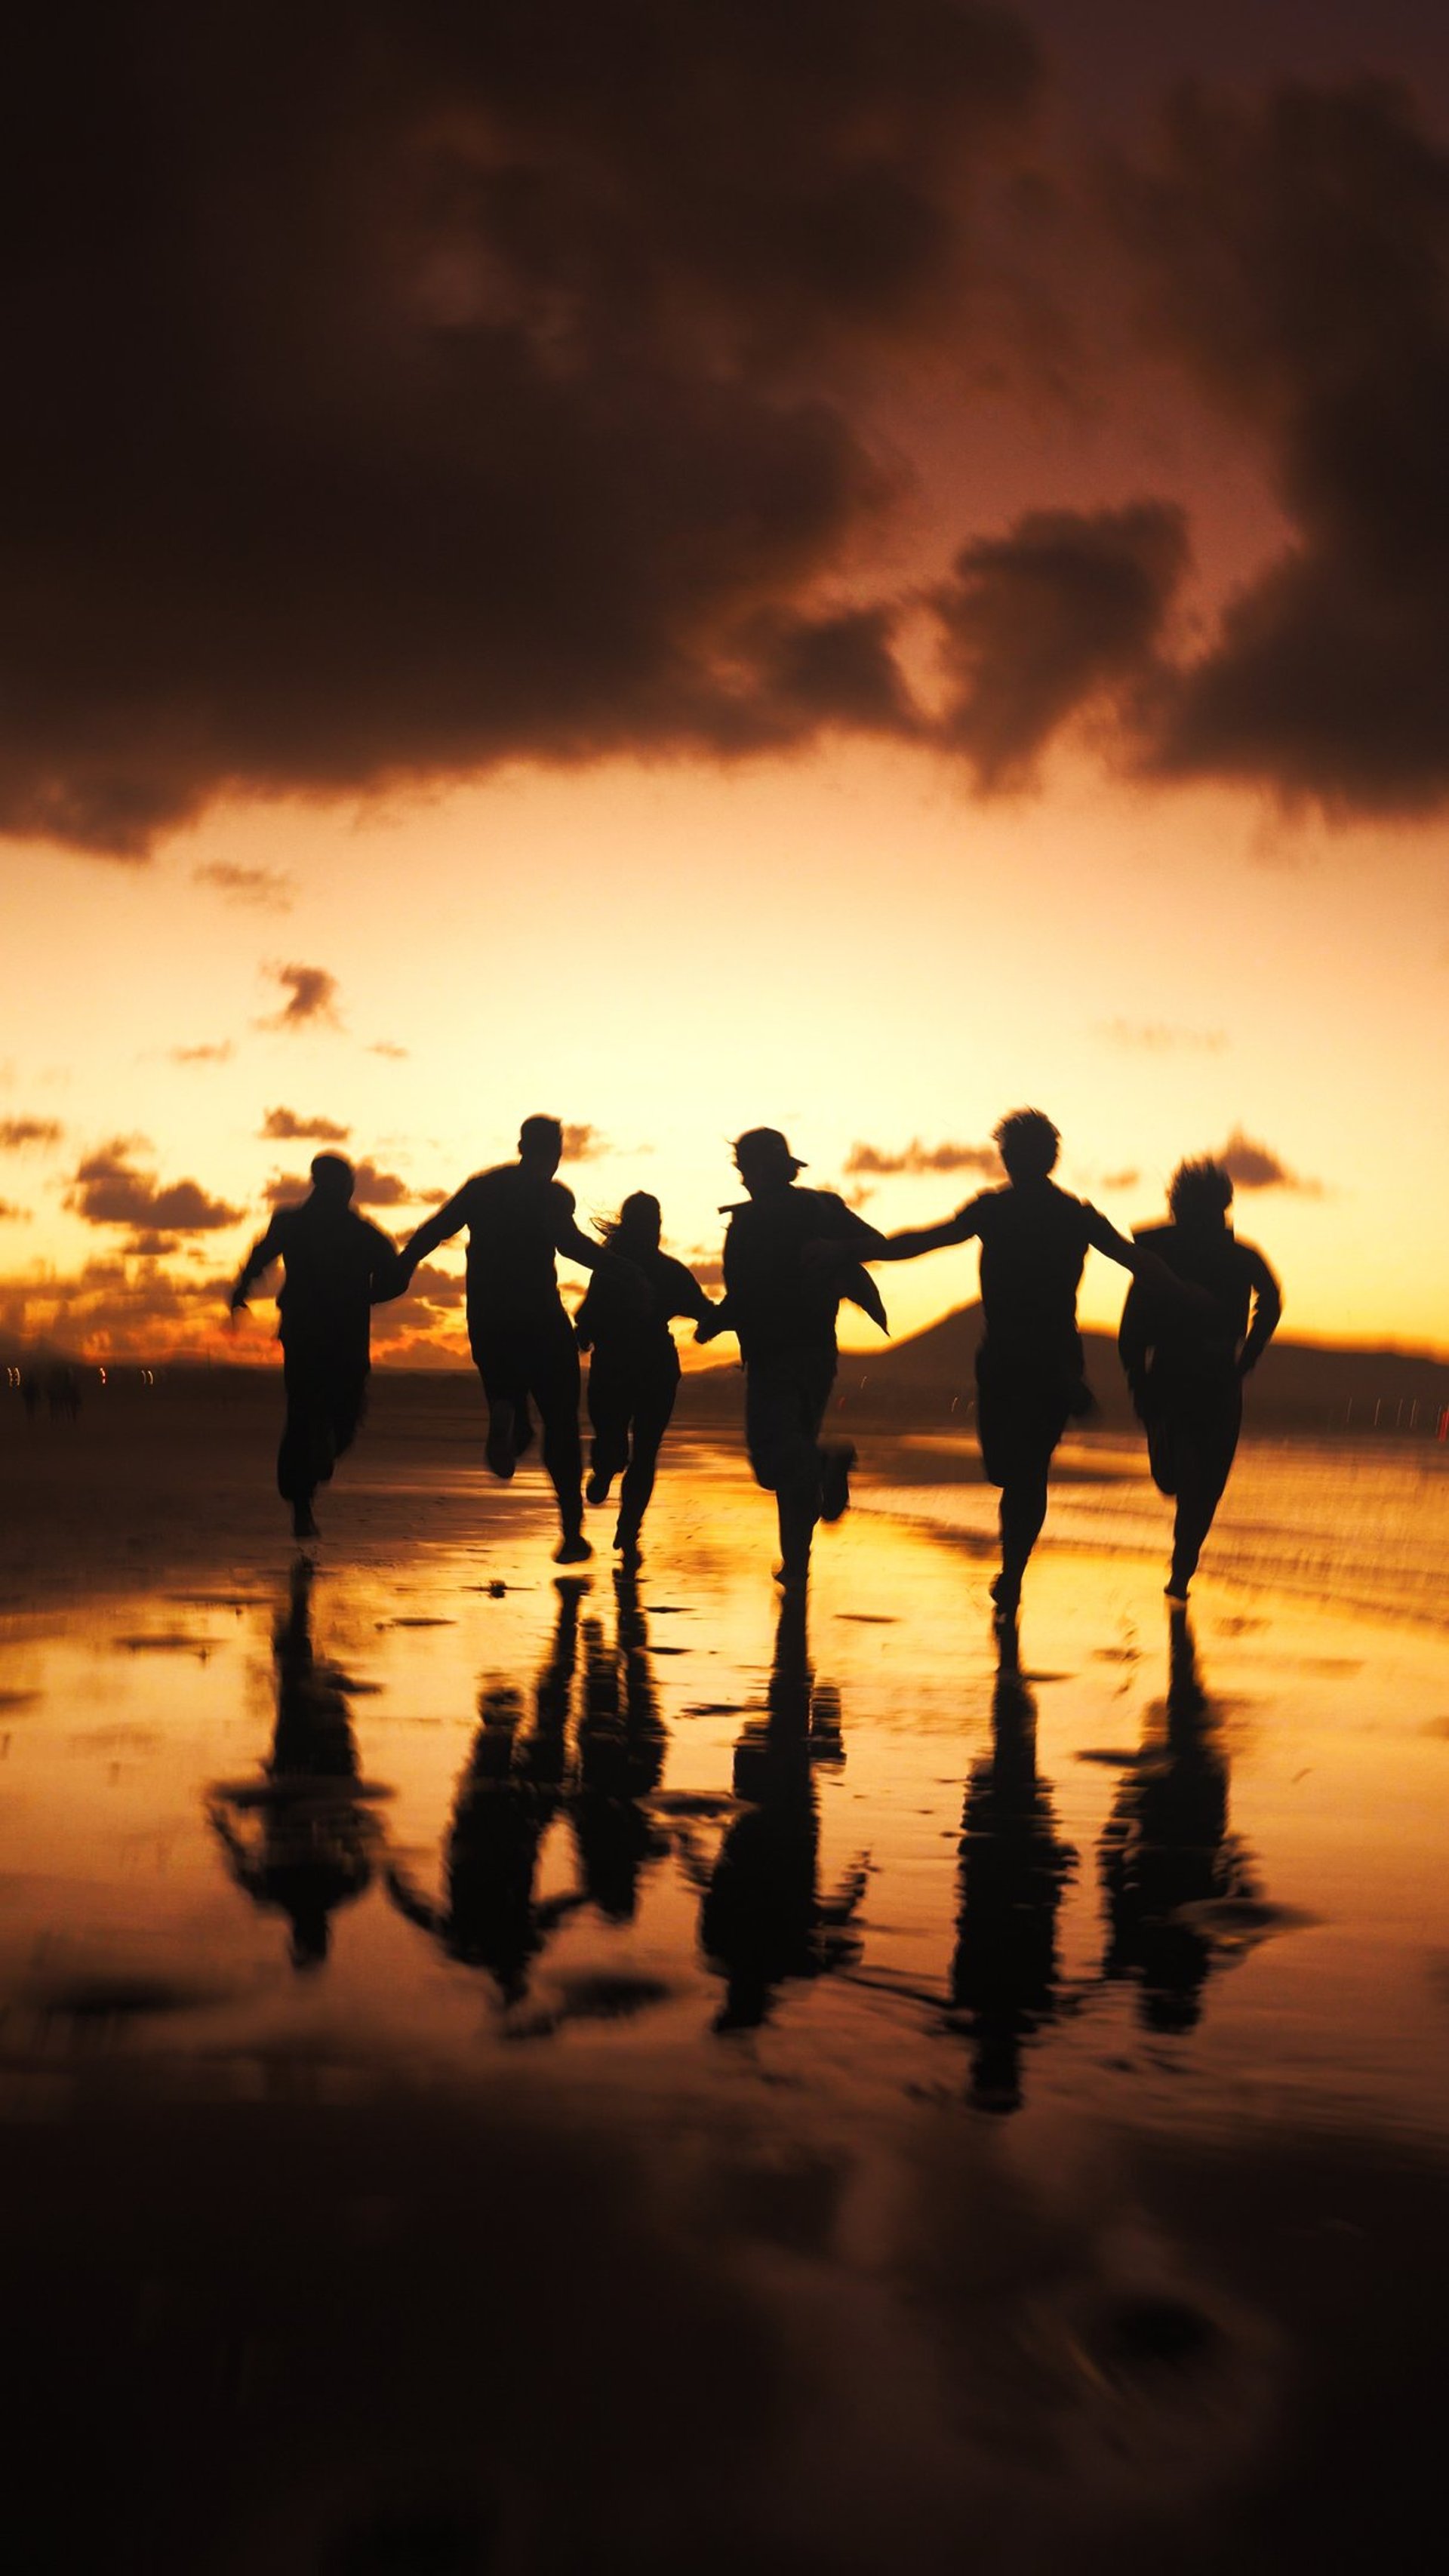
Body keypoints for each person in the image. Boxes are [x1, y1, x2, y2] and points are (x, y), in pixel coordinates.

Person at [877, 1107, 1164, 1627]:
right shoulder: (1027, 1212)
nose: (1016, 1161)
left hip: (1033, 1359)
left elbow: (925, 1241)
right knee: (1012, 1473)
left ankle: (1012, 1574)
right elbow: (1135, 1260)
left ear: (1032, 1158)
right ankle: (1014, 1567)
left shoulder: (1055, 1214)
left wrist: (853, 1250)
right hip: (1028, 1360)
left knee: (1023, 1473)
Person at [395, 1115, 629, 1565]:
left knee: (509, 1398)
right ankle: (572, 1534)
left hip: (489, 1321)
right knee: (560, 1423)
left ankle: (505, 1412)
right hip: (541, 1317)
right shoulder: (552, 1195)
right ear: (556, 1153)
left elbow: (435, 1228)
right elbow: (569, 1243)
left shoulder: (483, 1188)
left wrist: (403, 1266)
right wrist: (620, 1267)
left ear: (521, 1145)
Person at [700, 1127, 888, 1587]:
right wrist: (837, 1249)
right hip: (818, 1352)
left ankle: (827, 1463)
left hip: (774, 1353)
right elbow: (876, 1242)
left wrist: (715, 1322)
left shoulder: (753, 1222)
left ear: (760, 1167)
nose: (741, 1176)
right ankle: (797, 1565)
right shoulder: (823, 1208)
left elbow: (750, 1293)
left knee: (774, 1462)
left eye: (744, 1166)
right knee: (794, 1456)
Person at [1118, 1157, 1281, 1602]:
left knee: (1203, 1487)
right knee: (1183, 1483)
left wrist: (1247, 1358)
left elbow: (1271, 1300)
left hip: (1212, 1376)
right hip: (1182, 1374)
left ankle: (1182, 1571)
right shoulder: (1164, 1255)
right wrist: (1137, 1375)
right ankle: (1184, 1563)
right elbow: (1134, 1319)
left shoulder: (1239, 1255)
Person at [229, 1153, 400, 1540]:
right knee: (342, 1412)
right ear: (345, 1187)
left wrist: (242, 1288)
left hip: (305, 1332)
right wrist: (371, 1295)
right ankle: (320, 1465)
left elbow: (262, 1255)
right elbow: (394, 1272)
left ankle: (302, 1503)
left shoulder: (295, 1222)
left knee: (304, 1414)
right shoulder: (360, 1231)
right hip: (344, 1335)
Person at [574, 1193, 716, 1564]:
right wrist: (718, 1325)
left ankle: (624, 1516)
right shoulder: (652, 1270)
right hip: (651, 1367)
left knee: (629, 1446)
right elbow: (706, 1312)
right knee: (639, 1451)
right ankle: (622, 1511)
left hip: (624, 1368)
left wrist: (583, 1336)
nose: (654, 1231)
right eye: (651, 1224)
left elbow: (585, 1319)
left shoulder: (613, 1268)